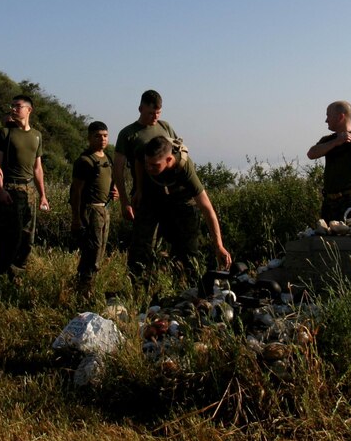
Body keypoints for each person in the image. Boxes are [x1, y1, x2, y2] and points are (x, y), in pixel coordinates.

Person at [132, 135, 232, 285]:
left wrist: (219, 246)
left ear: (169, 160)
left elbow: (207, 208)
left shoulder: (185, 169)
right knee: (142, 245)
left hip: (180, 197)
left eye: (154, 165)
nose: (149, 168)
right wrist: (139, 189)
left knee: (187, 249)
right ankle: (140, 284)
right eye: (148, 163)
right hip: (155, 193)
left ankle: (189, 286)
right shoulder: (145, 150)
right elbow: (139, 161)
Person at [0, 94, 49, 287]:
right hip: (10, 189)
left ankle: (16, 274)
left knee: (26, 237)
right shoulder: (4, 134)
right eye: (11, 106)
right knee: (7, 237)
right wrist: (1, 190)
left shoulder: (36, 135)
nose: (13, 109)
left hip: (28, 190)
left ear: (29, 110)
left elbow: (37, 168)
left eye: (18, 106)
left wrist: (43, 196)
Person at [112, 90, 178, 223]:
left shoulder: (165, 127)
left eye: (158, 113)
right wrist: (124, 202)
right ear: (140, 109)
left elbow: (178, 154)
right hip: (143, 195)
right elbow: (118, 169)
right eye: (151, 113)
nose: (155, 117)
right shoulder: (127, 134)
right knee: (144, 241)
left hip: (170, 194)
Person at [70, 121, 117, 300]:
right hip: (91, 210)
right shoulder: (84, 161)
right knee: (92, 250)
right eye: (98, 135)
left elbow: (111, 181)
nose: (102, 139)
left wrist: (115, 191)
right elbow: (76, 191)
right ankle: (83, 289)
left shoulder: (107, 159)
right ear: (89, 137)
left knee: (100, 250)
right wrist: (76, 218)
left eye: (105, 135)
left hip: (104, 209)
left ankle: (89, 288)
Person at [306, 100, 351, 223]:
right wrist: (336, 142)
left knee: (350, 240)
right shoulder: (328, 140)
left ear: (340, 116)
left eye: (328, 116)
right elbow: (311, 154)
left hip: (349, 201)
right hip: (329, 202)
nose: (326, 120)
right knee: (327, 238)